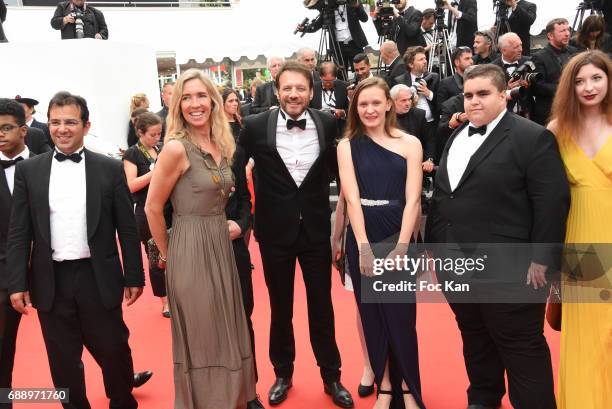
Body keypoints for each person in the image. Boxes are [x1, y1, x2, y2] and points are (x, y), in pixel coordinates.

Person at [426, 64, 570, 409]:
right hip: (455, 264)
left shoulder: (532, 137)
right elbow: (446, 195)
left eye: (483, 94)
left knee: (521, 347)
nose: (474, 101)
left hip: (511, 269)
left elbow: (552, 203)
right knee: (475, 339)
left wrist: (541, 259)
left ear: (503, 94)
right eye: (469, 94)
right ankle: (482, 400)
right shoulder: (457, 135)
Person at [7, 91, 145, 409]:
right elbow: (19, 232)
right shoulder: (30, 171)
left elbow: (126, 227)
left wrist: (134, 275)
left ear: (86, 125)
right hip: (50, 279)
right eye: (55, 122)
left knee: (114, 351)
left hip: (98, 277)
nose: (62, 129)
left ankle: (122, 401)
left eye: (70, 122)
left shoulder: (109, 169)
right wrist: (17, 283)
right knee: (63, 362)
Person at [239, 61, 353, 408]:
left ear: (311, 92)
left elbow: (341, 172)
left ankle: (331, 375)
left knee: (323, 306)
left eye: (300, 88)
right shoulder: (255, 126)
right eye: (287, 88)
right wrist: (245, 219)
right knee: (280, 308)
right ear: (277, 91)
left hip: (316, 232)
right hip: (275, 233)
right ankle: (282, 373)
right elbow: (234, 173)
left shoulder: (327, 122)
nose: (293, 94)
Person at [144, 69, 257, 409]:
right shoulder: (177, 148)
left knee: (227, 331)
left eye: (201, 96)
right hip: (190, 249)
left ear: (213, 101)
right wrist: (170, 256)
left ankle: (231, 398)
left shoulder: (223, 143)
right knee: (204, 335)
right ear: (178, 104)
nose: (195, 104)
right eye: (187, 97)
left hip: (220, 247)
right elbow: (152, 208)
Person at [338, 77, 424, 409]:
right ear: (355, 109)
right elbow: (352, 201)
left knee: (402, 319)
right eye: (363, 104)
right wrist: (362, 247)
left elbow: (414, 200)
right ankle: (386, 387)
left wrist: (402, 247)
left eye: (376, 103)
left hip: (398, 233)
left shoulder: (410, 143)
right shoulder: (346, 145)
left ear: (388, 104)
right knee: (372, 316)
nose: (370, 110)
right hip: (363, 235)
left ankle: (409, 389)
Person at [547, 50, 612, 409]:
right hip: (581, 242)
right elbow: (543, 192)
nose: (588, 87)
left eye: (596, 78)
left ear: (609, 80)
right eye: (579, 80)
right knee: (587, 334)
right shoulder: (558, 130)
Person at [0, 99, 34, 409]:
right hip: (3, 274)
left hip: (52, 268)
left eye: (6, 127)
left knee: (84, 332)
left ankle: (118, 379)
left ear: (23, 130)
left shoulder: (49, 164)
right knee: (2, 349)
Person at [122, 112, 170, 318]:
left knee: (174, 255)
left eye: (159, 133)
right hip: (147, 211)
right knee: (156, 256)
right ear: (140, 133)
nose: (157, 137)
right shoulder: (132, 154)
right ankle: (165, 301)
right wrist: (156, 172)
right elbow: (131, 186)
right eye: (153, 134)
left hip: (169, 209)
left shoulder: (160, 149)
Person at [394, 46, 439, 166]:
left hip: (432, 124)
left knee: (432, 156)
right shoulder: (399, 80)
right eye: (421, 59)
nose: (425, 61)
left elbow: (441, 103)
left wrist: (428, 93)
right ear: (411, 64)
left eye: (425, 58)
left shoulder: (434, 77)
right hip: (411, 126)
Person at [300, 0, 369, 77]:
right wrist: (304, 28)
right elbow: (317, 24)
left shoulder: (352, 2)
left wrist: (357, 6)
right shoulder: (329, 5)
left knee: (361, 71)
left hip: (355, 43)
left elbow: (364, 18)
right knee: (340, 74)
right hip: (337, 46)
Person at [532, 18, 579, 125]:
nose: (567, 34)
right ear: (550, 36)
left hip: (574, 111)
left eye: (568, 30)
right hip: (550, 114)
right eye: (562, 31)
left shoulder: (574, 52)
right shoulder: (538, 57)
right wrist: (565, 87)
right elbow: (537, 87)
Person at [491, 32, 534, 118]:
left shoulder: (530, 61)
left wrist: (530, 84)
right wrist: (507, 89)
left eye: (520, 45)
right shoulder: (492, 68)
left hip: (528, 114)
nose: (521, 49)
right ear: (503, 50)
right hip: (503, 115)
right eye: (516, 47)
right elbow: (491, 95)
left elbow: (540, 87)